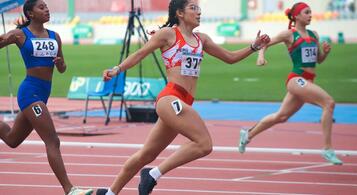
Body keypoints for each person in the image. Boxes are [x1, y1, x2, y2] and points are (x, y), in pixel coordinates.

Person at [95, 0, 270, 194]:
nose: (199, 12)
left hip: (184, 101)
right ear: (179, 13)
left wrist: (254, 46)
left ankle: (110, 192)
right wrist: (116, 69)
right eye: (193, 8)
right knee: (204, 144)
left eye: (199, 8)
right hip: (170, 97)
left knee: (147, 153)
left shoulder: (202, 39)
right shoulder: (168, 34)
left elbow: (230, 57)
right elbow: (140, 54)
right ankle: (153, 174)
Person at [0, 0, 93, 194]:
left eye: (47, 7)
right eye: (41, 7)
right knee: (53, 141)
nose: (46, 9)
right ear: (30, 14)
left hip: (44, 93)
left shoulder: (54, 36)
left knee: (12, 139)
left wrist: (59, 63)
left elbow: (62, 68)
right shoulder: (20, 34)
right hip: (30, 93)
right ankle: (70, 189)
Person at [238, 2, 342, 165]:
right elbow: (264, 44)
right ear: (297, 16)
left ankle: (248, 134)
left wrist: (326, 53)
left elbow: (318, 60)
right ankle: (327, 149)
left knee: (281, 116)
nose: (310, 15)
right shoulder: (289, 34)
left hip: (307, 81)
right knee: (328, 103)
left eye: (311, 12)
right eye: (306, 12)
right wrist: (260, 56)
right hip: (296, 79)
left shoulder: (314, 35)